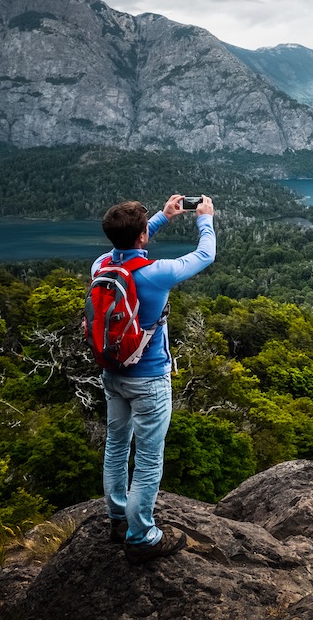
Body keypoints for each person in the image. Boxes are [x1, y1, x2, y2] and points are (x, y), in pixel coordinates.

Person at [92, 193, 215, 562]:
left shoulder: (100, 266)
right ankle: (142, 535)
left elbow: (127, 245)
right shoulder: (157, 274)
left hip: (112, 373)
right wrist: (203, 218)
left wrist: (161, 217)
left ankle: (117, 519)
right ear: (143, 236)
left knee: (116, 445)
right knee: (147, 458)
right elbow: (205, 255)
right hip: (149, 379)